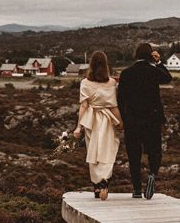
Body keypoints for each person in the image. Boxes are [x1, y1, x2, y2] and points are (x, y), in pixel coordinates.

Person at [117, 42, 172, 199]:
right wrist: (159, 62)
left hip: (132, 120)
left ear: (136, 55)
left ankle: (136, 190)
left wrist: (124, 117)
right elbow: (168, 78)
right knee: (155, 151)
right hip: (152, 119)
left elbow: (120, 99)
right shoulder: (153, 71)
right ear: (150, 55)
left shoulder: (126, 73)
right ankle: (152, 175)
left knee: (134, 155)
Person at [73, 51, 123, 200]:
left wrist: (78, 127)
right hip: (108, 120)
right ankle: (104, 182)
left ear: (91, 65)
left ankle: (96, 186)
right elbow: (114, 106)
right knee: (108, 151)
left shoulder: (85, 83)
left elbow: (83, 106)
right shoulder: (112, 83)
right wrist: (121, 123)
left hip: (92, 120)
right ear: (106, 65)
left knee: (93, 152)